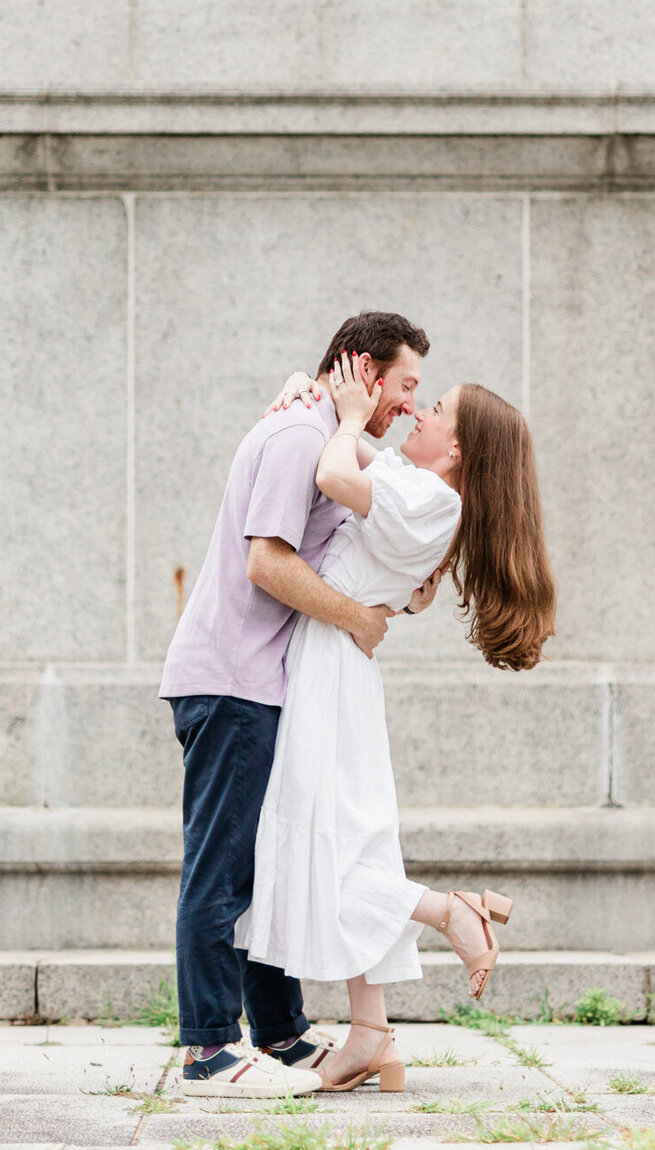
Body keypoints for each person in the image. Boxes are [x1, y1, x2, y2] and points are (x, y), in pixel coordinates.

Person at [236, 352, 556, 1093]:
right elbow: (351, 458)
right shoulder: (423, 491)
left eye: (434, 408)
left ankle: (449, 911)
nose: (417, 410)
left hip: (329, 667)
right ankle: (371, 1032)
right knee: (350, 844)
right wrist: (308, 390)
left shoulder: (431, 499)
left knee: (320, 852)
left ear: (458, 446)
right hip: (339, 663)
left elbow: (332, 474)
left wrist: (348, 417)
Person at [159, 311, 431, 1098]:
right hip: (232, 680)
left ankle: (278, 1033)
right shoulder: (296, 437)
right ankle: (208, 1050)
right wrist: (358, 620)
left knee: (264, 862)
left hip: (264, 683)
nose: (410, 405)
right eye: (405, 385)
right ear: (364, 371)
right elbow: (267, 564)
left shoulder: (324, 434)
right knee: (223, 869)